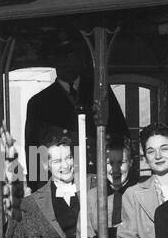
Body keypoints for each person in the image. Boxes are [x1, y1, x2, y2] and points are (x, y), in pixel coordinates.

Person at [24, 54, 128, 185]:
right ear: (54, 62)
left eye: (71, 57)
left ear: (80, 61)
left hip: (100, 179)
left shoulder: (100, 92)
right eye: (62, 58)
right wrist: (37, 189)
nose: (67, 63)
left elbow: (120, 134)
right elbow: (33, 149)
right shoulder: (39, 102)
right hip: (61, 181)